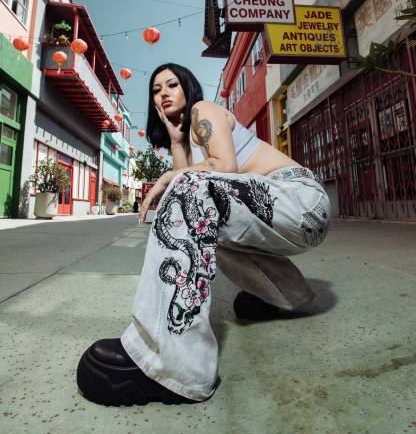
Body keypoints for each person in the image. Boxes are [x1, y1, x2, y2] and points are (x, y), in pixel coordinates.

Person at [77, 63, 330, 406]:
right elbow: (193, 193)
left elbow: (221, 168)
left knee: (187, 189)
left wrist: (168, 178)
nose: (163, 94)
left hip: (301, 198)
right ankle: (282, 294)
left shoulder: (203, 109)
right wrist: (175, 141)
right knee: (201, 223)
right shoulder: (188, 139)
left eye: (172, 85)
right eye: (156, 90)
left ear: (189, 87)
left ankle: (173, 364)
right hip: (291, 216)